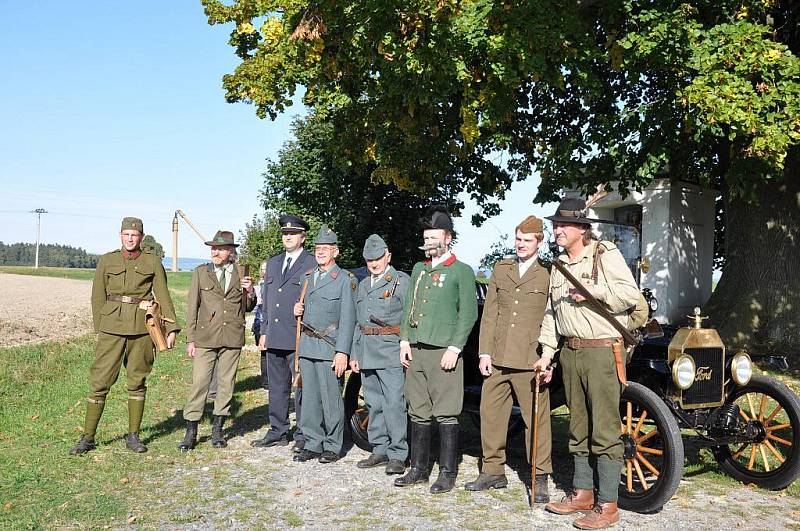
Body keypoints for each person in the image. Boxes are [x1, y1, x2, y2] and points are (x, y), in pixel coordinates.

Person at [539, 197, 640, 529]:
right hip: (571, 352)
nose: (556, 229)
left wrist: (594, 292)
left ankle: (607, 504)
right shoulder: (558, 265)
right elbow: (553, 315)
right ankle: (582, 493)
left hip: (601, 352)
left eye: (562, 225)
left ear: (581, 229)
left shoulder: (603, 253)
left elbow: (630, 296)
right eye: (555, 224)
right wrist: (547, 353)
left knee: (605, 429)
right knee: (577, 426)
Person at [70, 217, 179, 455]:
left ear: (141, 237)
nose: (130, 239)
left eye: (135, 235)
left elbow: (163, 294)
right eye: (126, 234)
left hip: (141, 329)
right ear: (120, 235)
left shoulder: (152, 262)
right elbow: (97, 296)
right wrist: (101, 327)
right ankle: (87, 437)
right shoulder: (108, 260)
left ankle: (133, 436)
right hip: (111, 328)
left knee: (137, 382)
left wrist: (171, 328)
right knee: (100, 382)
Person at [465, 216, 553, 502]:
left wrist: (549, 359)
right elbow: (490, 314)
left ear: (539, 242)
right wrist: (484, 352)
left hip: (531, 359)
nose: (521, 245)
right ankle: (493, 471)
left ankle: (539, 477)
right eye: (518, 239)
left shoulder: (548, 274)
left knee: (536, 420)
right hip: (498, 357)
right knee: (490, 415)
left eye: (527, 240)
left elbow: (554, 319)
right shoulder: (501, 269)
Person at [395, 205, 478, 494]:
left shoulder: (461, 271)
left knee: (446, 413)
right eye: (426, 237)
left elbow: (468, 314)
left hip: (444, 351)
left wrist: (455, 348)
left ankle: (447, 472)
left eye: (435, 237)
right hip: (416, 350)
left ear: (448, 238)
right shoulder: (419, 269)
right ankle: (418, 468)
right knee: (417, 411)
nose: (429, 242)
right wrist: (405, 340)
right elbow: (409, 308)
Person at [177, 231, 256, 450]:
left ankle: (218, 430)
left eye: (220, 249)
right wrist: (190, 339)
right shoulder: (202, 272)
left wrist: (250, 292)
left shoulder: (242, 272)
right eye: (213, 248)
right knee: (200, 383)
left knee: (226, 383)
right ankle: (191, 432)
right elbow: (192, 307)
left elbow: (248, 307)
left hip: (231, 336)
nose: (215, 252)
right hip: (205, 337)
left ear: (231, 251)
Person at [292, 226, 357, 464]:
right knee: (309, 398)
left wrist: (343, 352)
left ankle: (332, 445)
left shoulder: (344, 280)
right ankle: (312, 443)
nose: (321, 252)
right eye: (318, 248)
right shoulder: (307, 278)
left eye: (326, 249)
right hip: (308, 346)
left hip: (330, 347)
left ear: (335, 252)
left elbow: (349, 319)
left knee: (331, 400)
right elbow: (306, 312)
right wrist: (297, 310)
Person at [251, 215, 316, 450]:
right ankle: (278, 430)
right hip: (275, 334)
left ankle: (302, 433)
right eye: (285, 234)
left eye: (293, 234)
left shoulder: (311, 263)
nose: (287, 237)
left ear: (302, 237)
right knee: (277, 387)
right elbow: (268, 300)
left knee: (300, 386)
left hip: (298, 335)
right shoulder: (274, 262)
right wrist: (265, 331)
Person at [350, 235, 410, 475]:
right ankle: (380, 448)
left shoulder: (400, 281)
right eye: (369, 260)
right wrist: (355, 353)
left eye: (377, 258)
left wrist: (407, 346)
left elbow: (409, 318)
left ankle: (398, 454)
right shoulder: (364, 285)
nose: (374, 264)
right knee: (373, 403)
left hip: (391, 350)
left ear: (388, 257)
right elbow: (358, 321)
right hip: (367, 350)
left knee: (394, 403)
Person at [252, 259, 269, 390]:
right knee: (264, 352)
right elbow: (252, 307)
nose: (265, 271)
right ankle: (265, 380)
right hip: (259, 322)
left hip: (272, 323)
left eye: (267, 268)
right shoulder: (257, 287)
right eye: (262, 269)